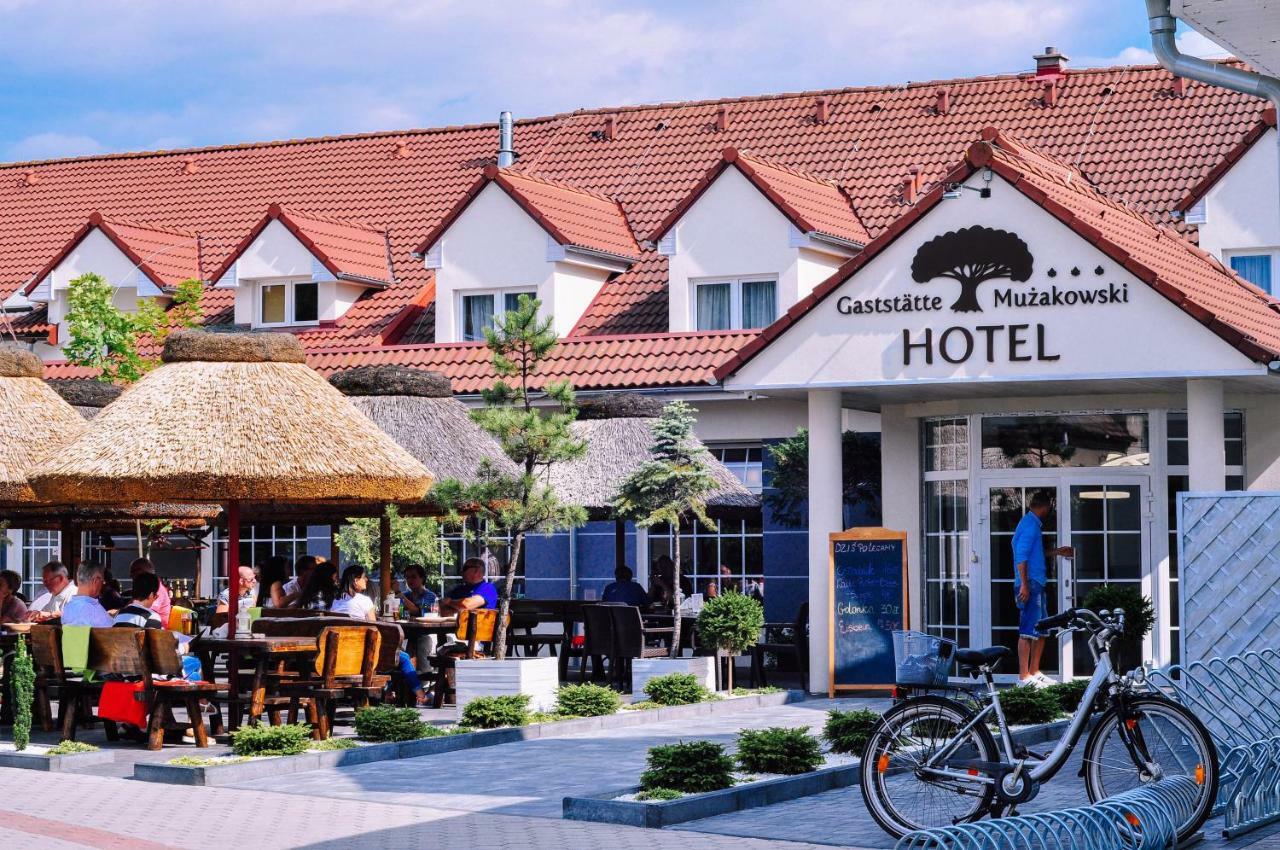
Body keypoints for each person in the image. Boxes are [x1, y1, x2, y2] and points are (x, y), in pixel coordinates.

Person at [1012, 491, 1074, 687]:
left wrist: (1056, 552)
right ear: (1045, 507)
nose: (1049, 511)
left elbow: (1033, 555)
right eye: (1049, 508)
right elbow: (1020, 557)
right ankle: (1023, 677)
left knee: (1041, 629)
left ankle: (1034, 672)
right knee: (1028, 629)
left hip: (1036, 583)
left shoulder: (1030, 524)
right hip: (1029, 583)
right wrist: (1024, 584)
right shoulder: (1030, 526)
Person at [397, 564, 439, 669]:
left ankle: (425, 680)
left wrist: (400, 595)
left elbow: (418, 611)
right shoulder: (406, 595)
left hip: (426, 634)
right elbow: (399, 612)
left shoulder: (429, 596)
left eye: (413, 577)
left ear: (422, 578)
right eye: (407, 577)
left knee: (422, 644)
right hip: (407, 633)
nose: (410, 580)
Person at [61, 563, 113, 627]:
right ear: (96, 581)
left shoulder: (68, 608)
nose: (103, 583)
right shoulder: (91, 610)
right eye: (102, 580)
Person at [130, 558, 172, 626]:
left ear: (142, 571)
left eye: (133, 571)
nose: (130, 575)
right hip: (142, 625)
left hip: (157, 630)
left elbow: (147, 612)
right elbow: (132, 606)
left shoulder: (157, 588)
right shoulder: (143, 588)